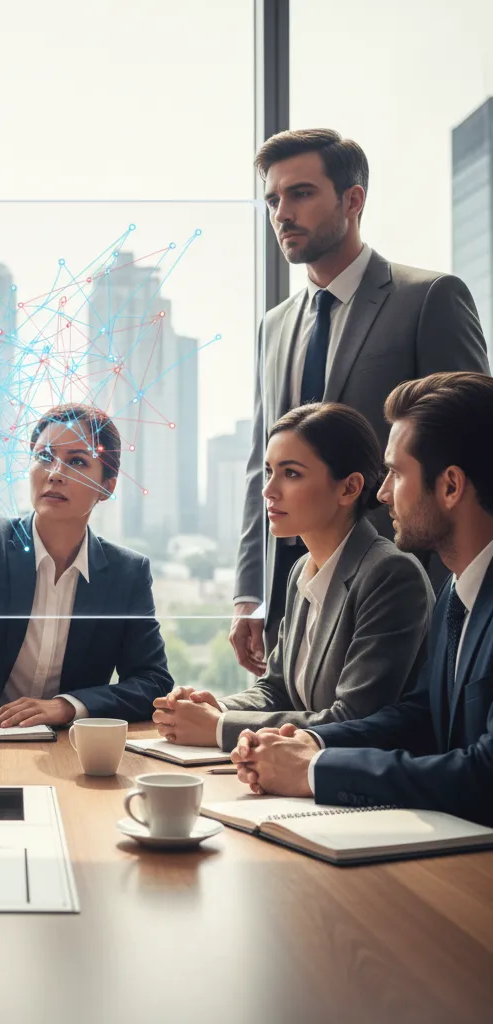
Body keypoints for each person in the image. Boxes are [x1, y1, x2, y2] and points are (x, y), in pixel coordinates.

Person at [231, 129, 488, 678]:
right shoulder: (274, 325)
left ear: (353, 200)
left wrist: (461, 597)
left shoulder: (428, 298)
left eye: (300, 193)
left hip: (410, 591)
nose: (281, 213)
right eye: (273, 199)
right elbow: (262, 460)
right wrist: (251, 591)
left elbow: (475, 438)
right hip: (299, 593)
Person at [231, 372, 493, 828]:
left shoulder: (398, 575)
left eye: (395, 473)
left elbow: (485, 774)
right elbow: (420, 716)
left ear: (450, 486)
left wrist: (314, 770)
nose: (383, 492)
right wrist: (311, 743)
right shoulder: (458, 589)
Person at [0, 369, 174, 725]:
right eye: (44, 456)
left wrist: (67, 706)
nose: (55, 472)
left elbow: (153, 683)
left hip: (66, 750)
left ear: (107, 486)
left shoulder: (127, 573)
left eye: (77, 461)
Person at [152, 403, 432, 750]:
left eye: (291, 473)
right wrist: (211, 709)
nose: (269, 490)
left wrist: (219, 726)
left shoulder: (389, 575)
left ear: (349, 488)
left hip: (358, 785)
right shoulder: (302, 569)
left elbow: (353, 718)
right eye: (268, 471)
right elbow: (277, 689)